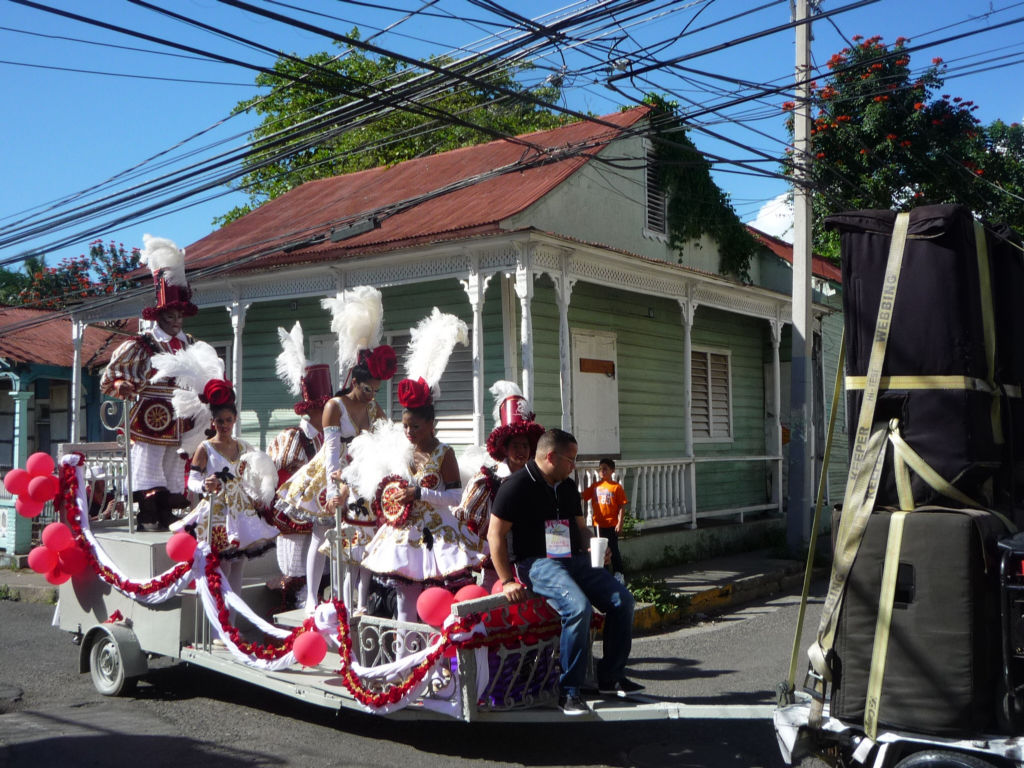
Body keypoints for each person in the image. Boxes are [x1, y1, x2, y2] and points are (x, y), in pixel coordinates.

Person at [488, 428, 641, 716]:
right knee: (578, 608)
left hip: (572, 557)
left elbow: (581, 529)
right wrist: (507, 580)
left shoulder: (568, 487)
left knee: (623, 601)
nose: (574, 465)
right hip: (536, 562)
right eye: (570, 459)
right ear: (550, 456)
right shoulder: (517, 486)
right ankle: (569, 691)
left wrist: (596, 548)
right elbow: (495, 534)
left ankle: (610, 677)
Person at [274, 287, 396, 615]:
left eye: (377, 390)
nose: (372, 395)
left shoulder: (373, 408)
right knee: (321, 535)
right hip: (331, 474)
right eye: (368, 388)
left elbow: (387, 436)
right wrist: (331, 491)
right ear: (354, 381)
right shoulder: (334, 406)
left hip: (359, 479)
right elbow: (329, 453)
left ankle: (354, 601)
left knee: (355, 542)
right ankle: (313, 597)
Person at [359, 308, 485, 624]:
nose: (409, 432)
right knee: (403, 607)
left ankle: (437, 666)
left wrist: (421, 494)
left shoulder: (445, 454)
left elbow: (457, 498)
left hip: (438, 538)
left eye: (415, 427)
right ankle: (405, 666)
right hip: (403, 535)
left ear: (430, 424)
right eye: (405, 426)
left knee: (437, 608)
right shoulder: (400, 450)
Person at [100, 235, 198, 532]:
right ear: (160, 316)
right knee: (147, 462)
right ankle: (148, 512)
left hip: (179, 415)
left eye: (180, 315)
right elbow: (109, 377)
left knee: (171, 461)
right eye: (171, 315)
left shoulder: (190, 344)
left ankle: (167, 512)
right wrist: (120, 386)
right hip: (149, 415)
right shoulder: (141, 344)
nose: (176, 320)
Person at [179, 384, 279, 603]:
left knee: (237, 569)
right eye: (220, 421)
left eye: (228, 420)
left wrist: (260, 494)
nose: (224, 425)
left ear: (235, 420)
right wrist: (206, 485)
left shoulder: (244, 447)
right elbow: (192, 481)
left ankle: (231, 626)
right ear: (213, 422)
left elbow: (256, 475)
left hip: (242, 513)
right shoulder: (205, 448)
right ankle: (219, 628)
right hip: (216, 515)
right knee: (221, 569)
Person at [453, 381, 544, 590]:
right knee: (492, 604)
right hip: (498, 558)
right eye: (515, 446)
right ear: (505, 448)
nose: (521, 451)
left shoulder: (537, 478)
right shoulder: (488, 479)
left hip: (531, 557)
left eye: (525, 445)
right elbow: (469, 518)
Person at [265, 322, 331, 608]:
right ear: (314, 409)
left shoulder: (329, 440)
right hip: (294, 524)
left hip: (322, 521)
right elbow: (273, 478)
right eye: (326, 409)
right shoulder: (291, 438)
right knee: (295, 578)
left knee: (321, 576)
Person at [581, 458, 629, 582]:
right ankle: (605, 575)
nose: (602, 471)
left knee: (613, 549)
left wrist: (620, 522)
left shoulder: (616, 487)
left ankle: (619, 573)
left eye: (605, 469)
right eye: (600, 469)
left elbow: (621, 505)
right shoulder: (595, 486)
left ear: (612, 470)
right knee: (602, 551)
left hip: (611, 524)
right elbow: (584, 495)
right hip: (598, 525)